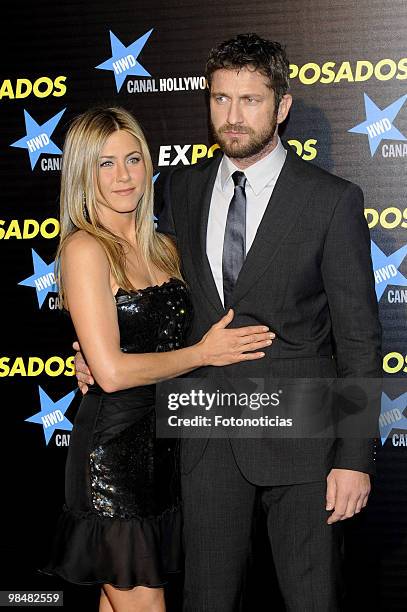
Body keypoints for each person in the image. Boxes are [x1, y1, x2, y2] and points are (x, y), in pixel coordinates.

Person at [75, 34, 382, 612]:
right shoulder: (181, 188)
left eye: (250, 100)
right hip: (206, 435)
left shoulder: (332, 200)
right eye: (220, 99)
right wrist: (96, 346)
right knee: (206, 600)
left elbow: (361, 339)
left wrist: (352, 456)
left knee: (313, 600)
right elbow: (149, 287)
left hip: (305, 438)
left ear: (282, 106)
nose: (232, 117)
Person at [42, 106, 275, 612]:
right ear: (83, 171)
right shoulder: (86, 249)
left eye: (133, 159)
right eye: (105, 163)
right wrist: (200, 353)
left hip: (165, 451)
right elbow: (110, 371)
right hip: (112, 459)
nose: (124, 175)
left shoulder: (164, 247)